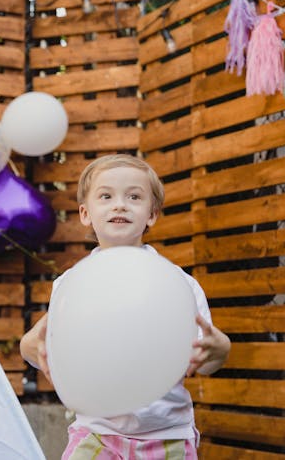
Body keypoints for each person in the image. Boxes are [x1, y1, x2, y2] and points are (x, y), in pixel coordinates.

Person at [20, 153, 231, 459]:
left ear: (151, 215)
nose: (120, 204)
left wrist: (220, 350)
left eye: (134, 196)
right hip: (96, 431)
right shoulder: (72, 284)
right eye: (106, 196)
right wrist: (30, 344)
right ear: (85, 213)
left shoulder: (177, 285)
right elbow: (44, 347)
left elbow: (205, 361)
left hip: (167, 435)